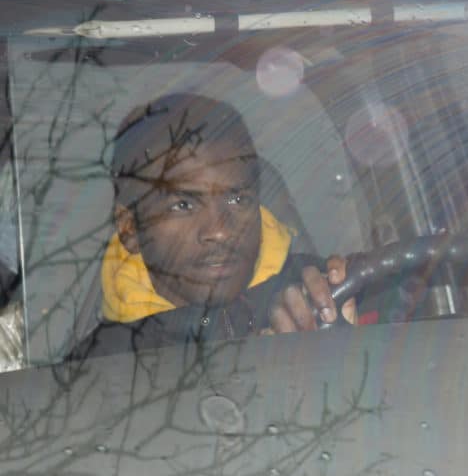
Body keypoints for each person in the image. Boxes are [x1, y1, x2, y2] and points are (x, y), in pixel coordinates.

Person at [73, 93, 356, 358]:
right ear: (129, 228)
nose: (220, 231)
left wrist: (344, 336)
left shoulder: (315, 288)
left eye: (237, 199)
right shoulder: (97, 370)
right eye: (183, 206)